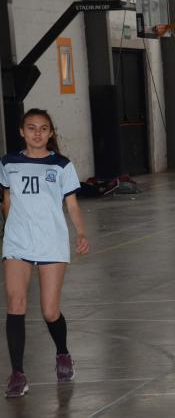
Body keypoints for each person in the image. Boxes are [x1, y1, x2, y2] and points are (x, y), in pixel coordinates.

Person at [0, 109, 89, 398]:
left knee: (50, 311)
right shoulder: (8, 163)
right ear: (21, 132)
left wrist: (81, 233)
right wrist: (10, 228)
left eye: (43, 128)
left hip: (51, 242)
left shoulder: (61, 165)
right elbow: (7, 199)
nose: (37, 133)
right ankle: (17, 374)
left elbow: (72, 205)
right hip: (18, 243)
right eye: (31, 127)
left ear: (51, 133)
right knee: (16, 302)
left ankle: (62, 354)